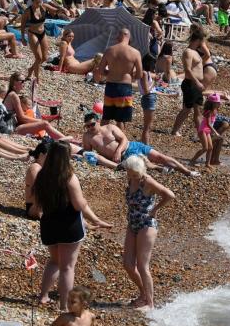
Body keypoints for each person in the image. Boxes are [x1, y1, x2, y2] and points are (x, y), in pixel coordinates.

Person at [34, 142, 113, 310]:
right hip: (68, 225)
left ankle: (43, 296)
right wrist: (96, 219)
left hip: (48, 224)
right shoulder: (69, 177)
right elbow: (79, 205)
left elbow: (37, 204)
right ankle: (64, 305)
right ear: (66, 156)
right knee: (67, 267)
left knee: (54, 262)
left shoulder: (42, 175)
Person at [121, 154, 174, 310]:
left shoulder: (147, 181)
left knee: (143, 266)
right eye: (129, 174)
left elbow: (169, 195)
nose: (132, 177)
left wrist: (155, 209)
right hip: (132, 224)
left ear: (142, 170)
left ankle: (150, 304)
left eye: (135, 174)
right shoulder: (131, 179)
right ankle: (143, 294)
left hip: (146, 224)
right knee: (128, 264)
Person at [82, 112, 199, 176]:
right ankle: (160, 169)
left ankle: (187, 172)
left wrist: (117, 151)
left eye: (92, 124)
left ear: (98, 121)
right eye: (87, 126)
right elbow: (89, 153)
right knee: (143, 164)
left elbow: (124, 139)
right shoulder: (87, 137)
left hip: (132, 146)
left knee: (160, 157)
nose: (90, 127)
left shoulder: (110, 127)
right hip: (125, 157)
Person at [94, 28, 142, 127]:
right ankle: (121, 141)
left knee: (106, 117)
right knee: (120, 120)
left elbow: (100, 71)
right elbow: (139, 75)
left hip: (110, 86)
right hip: (125, 87)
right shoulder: (135, 52)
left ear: (119, 37)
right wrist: (129, 75)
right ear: (129, 37)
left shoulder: (109, 50)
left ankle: (101, 140)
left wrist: (111, 73)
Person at [188, 94, 222, 167]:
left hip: (208, 131)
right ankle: (192, 161)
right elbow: (209, 124)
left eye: (219, 102)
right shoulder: (209, 111)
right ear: (212, 103)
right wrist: (215, 132)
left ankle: (207, 163)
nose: (219, 103)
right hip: (203, 130)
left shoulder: (215, 110)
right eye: (217, 102)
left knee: (210, 148)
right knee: (205, 148)